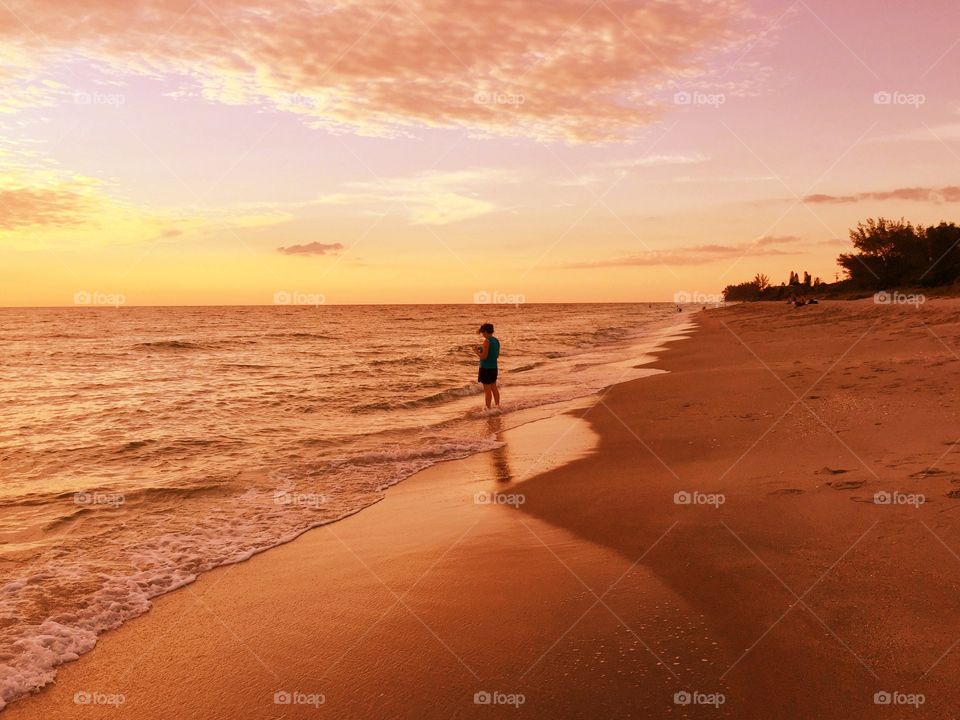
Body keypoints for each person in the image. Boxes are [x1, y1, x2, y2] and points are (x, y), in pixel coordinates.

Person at [475, 323, 500, 409]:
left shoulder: (487, 341)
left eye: (482, 333)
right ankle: (497, 406)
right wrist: (482, 349)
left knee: (487, 390)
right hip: (494, 367)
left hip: (485, 368)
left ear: (485, 331)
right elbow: (496, 355)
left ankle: (488, 408)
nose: (482, 335)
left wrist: (476, 352)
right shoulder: (496, 341)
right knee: (494, 387)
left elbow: (484, 357)